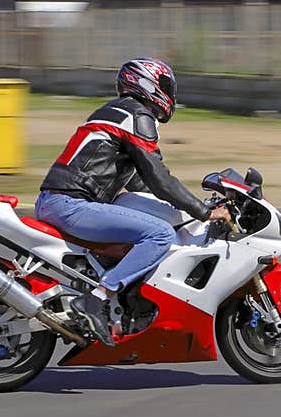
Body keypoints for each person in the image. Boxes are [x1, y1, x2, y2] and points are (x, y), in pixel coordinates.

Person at [35, 57, 231, 346]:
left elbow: (142, 184)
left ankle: (127, 302)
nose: (170, 93)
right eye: (165, 86)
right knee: (159, 234)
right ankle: (100, 297)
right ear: (146, 83)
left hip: (62, 201)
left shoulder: (118, 112)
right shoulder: (136, 116)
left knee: (151, 214)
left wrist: (184, 208)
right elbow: (159, 179)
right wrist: (204, 211)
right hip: (71, 204)